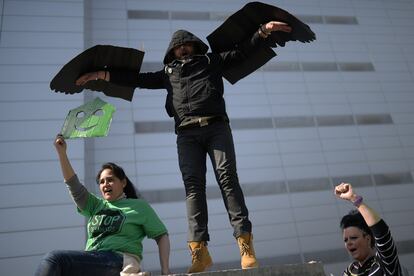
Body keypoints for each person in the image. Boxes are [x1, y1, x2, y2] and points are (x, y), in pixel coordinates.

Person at [76, 21, 292, 273]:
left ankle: (245, 245)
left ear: (195, 46)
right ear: (172, 52)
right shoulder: (168, 74)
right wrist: (100, 75)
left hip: (216, 128)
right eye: (178, 48)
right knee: (193, 189)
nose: (183, 50)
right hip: (187, 135)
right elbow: (137, 79)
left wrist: (263, 30)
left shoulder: (211, 62)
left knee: (228, 180)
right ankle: (199, 252)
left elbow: (242, 52)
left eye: (186, 45)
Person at [35, 134, 171, 276]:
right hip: (94, 260)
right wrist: (62, 153)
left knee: (54, 259)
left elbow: (161, 235)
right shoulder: (95, 205)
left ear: (123, 182)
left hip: (118, 260)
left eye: (110, 180)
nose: (105, 184)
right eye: (101, 182)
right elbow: (73, 185)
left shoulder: (139, 206)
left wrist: (165, 271)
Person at [334, 182, 402, 276]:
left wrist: (353, 198)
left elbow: (381, 232)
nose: (349, 243)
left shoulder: (384, 263)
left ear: (368, 239)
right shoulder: (349, 271)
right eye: (346, 240)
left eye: (353, 238)